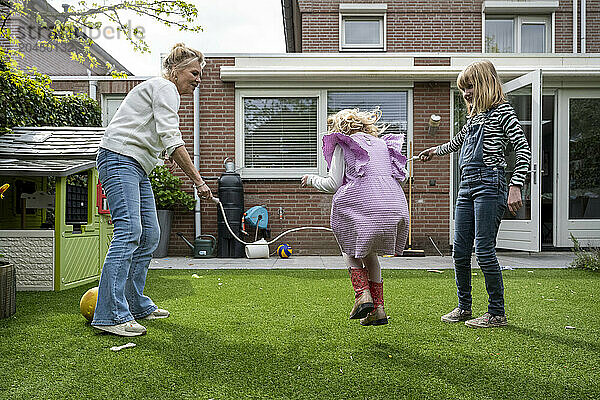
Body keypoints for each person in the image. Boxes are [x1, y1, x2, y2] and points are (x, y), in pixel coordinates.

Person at [92, 43, 213, 337]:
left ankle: (135, 302)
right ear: (176, 69)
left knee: (150, 234)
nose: (198, 80)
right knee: (130, 231)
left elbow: (155, 135)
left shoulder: (164, 92)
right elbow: (172, 137)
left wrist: (158, 155)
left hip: (136, 166)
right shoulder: (164, 87)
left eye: (200, 75)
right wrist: (198, 181)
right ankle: (110, 315)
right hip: (120, 159)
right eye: (194, 73)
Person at [419, 60, 531, 328]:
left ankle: (496, 312)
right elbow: (458, 142)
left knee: (483, 250)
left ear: (484, 84)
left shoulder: (503, 112)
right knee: (459, 250)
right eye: (463, 89)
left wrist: (516, 184)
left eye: (469, 87)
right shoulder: (474, 117)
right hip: (466, 185)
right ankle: (464, 307)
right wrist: (435, 151)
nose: (466, 93)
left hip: (490, 184)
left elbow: (523, 148)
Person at [301, 108, 409, 326]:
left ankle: (362, 295)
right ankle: (378, 310)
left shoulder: (345, 144)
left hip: (364, 206)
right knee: (370, 256)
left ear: (338, 128)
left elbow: (332, 184)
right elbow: (403, 178)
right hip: (394, 207)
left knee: (348, 248)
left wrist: (312, 179)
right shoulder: (384, 145)